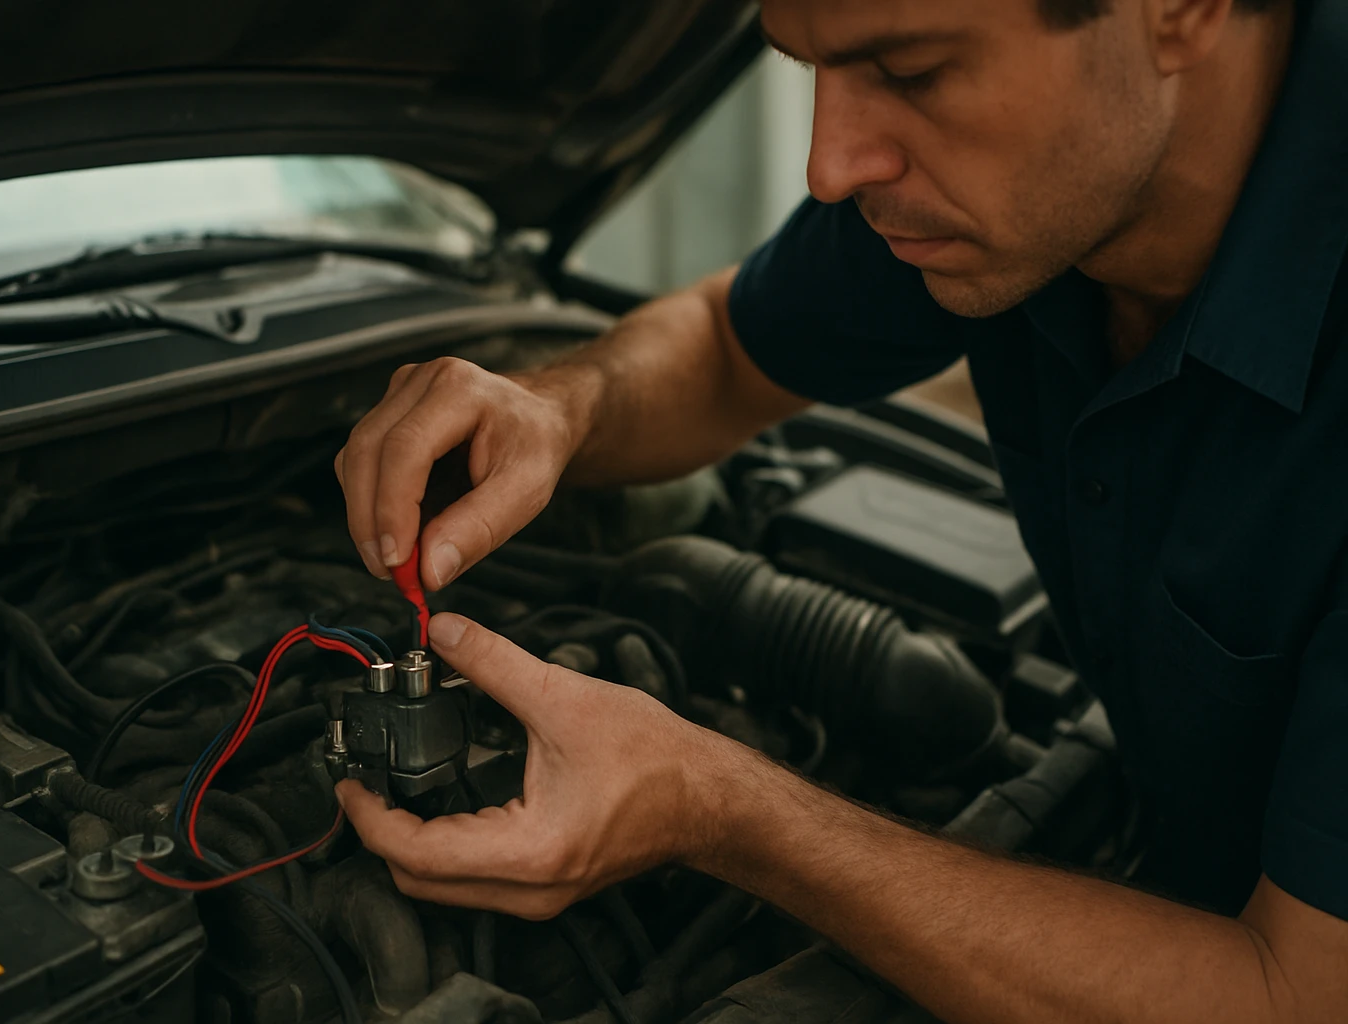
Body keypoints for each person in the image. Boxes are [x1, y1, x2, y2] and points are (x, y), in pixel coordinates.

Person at [332, 0, 1348, 1019]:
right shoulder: (1028, 178)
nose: (830, 167)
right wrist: (560, 405)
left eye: (910, 73)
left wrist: (716, 805)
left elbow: (1294, 996)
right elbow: (728, 346)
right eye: (806, 67)